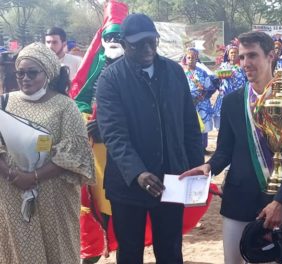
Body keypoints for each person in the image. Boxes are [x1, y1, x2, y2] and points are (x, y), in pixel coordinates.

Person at [182, 31, 282, 264]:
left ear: (271, 55)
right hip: (238, 199)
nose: (245, 63)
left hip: (277, 201)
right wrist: (209, 166)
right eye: (242, 57)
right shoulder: (234, 101)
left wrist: (281, 201)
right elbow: (224, 150)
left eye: (252, 55)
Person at [96, 13, 204, 264]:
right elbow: (114, 133)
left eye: (151, 41)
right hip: (128, 184)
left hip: (172, 179)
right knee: (130, 252)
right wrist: (137, 173)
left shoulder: (175, 72)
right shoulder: (110, 79)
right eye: (138, 44)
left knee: (170, 250)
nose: (147, 49)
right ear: (123, 45)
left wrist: (195, 165)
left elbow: (189, 124)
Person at [0, 42, 94, 264]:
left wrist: (32, 177)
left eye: (32, 72)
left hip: (54, 195)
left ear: (49, 72)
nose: (25, 78)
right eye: (20, 73)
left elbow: (76, 153)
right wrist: (15, 176)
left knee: (58, 249)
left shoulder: (65, 107)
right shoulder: (4, 103)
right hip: (12, 192)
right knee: (19, 248)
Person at [68, 0, 128, 262]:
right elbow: (78, 98)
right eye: (109, 36)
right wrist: (84, 119)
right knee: (92, 206)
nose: (113, 40)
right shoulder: (94, 66)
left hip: (125, 152)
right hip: (93, 151)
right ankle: (92, 253)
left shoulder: (134, 69)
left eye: (118, 35)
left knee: (122, 213)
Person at [181, 47, 216, 151]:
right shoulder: (180, 72)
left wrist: (202, 97)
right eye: (189, 57)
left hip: (201, 102)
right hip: (187, 102)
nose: (191, 59)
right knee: (188, 123)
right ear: (185, 59)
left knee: (203, 125)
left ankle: (203, 147)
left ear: (197, 59)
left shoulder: (202, 72)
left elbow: (209, 87)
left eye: (193, 57)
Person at [212, 42, 247, 130]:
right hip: (223, 98)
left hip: (238, 99)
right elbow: (215, 80)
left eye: (236, 53)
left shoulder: (242, 68)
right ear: (227, 55)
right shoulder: (223, 66)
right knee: (222, 125)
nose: (234, 54)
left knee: (237, 125)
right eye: (232, 53)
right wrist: (219, 77)